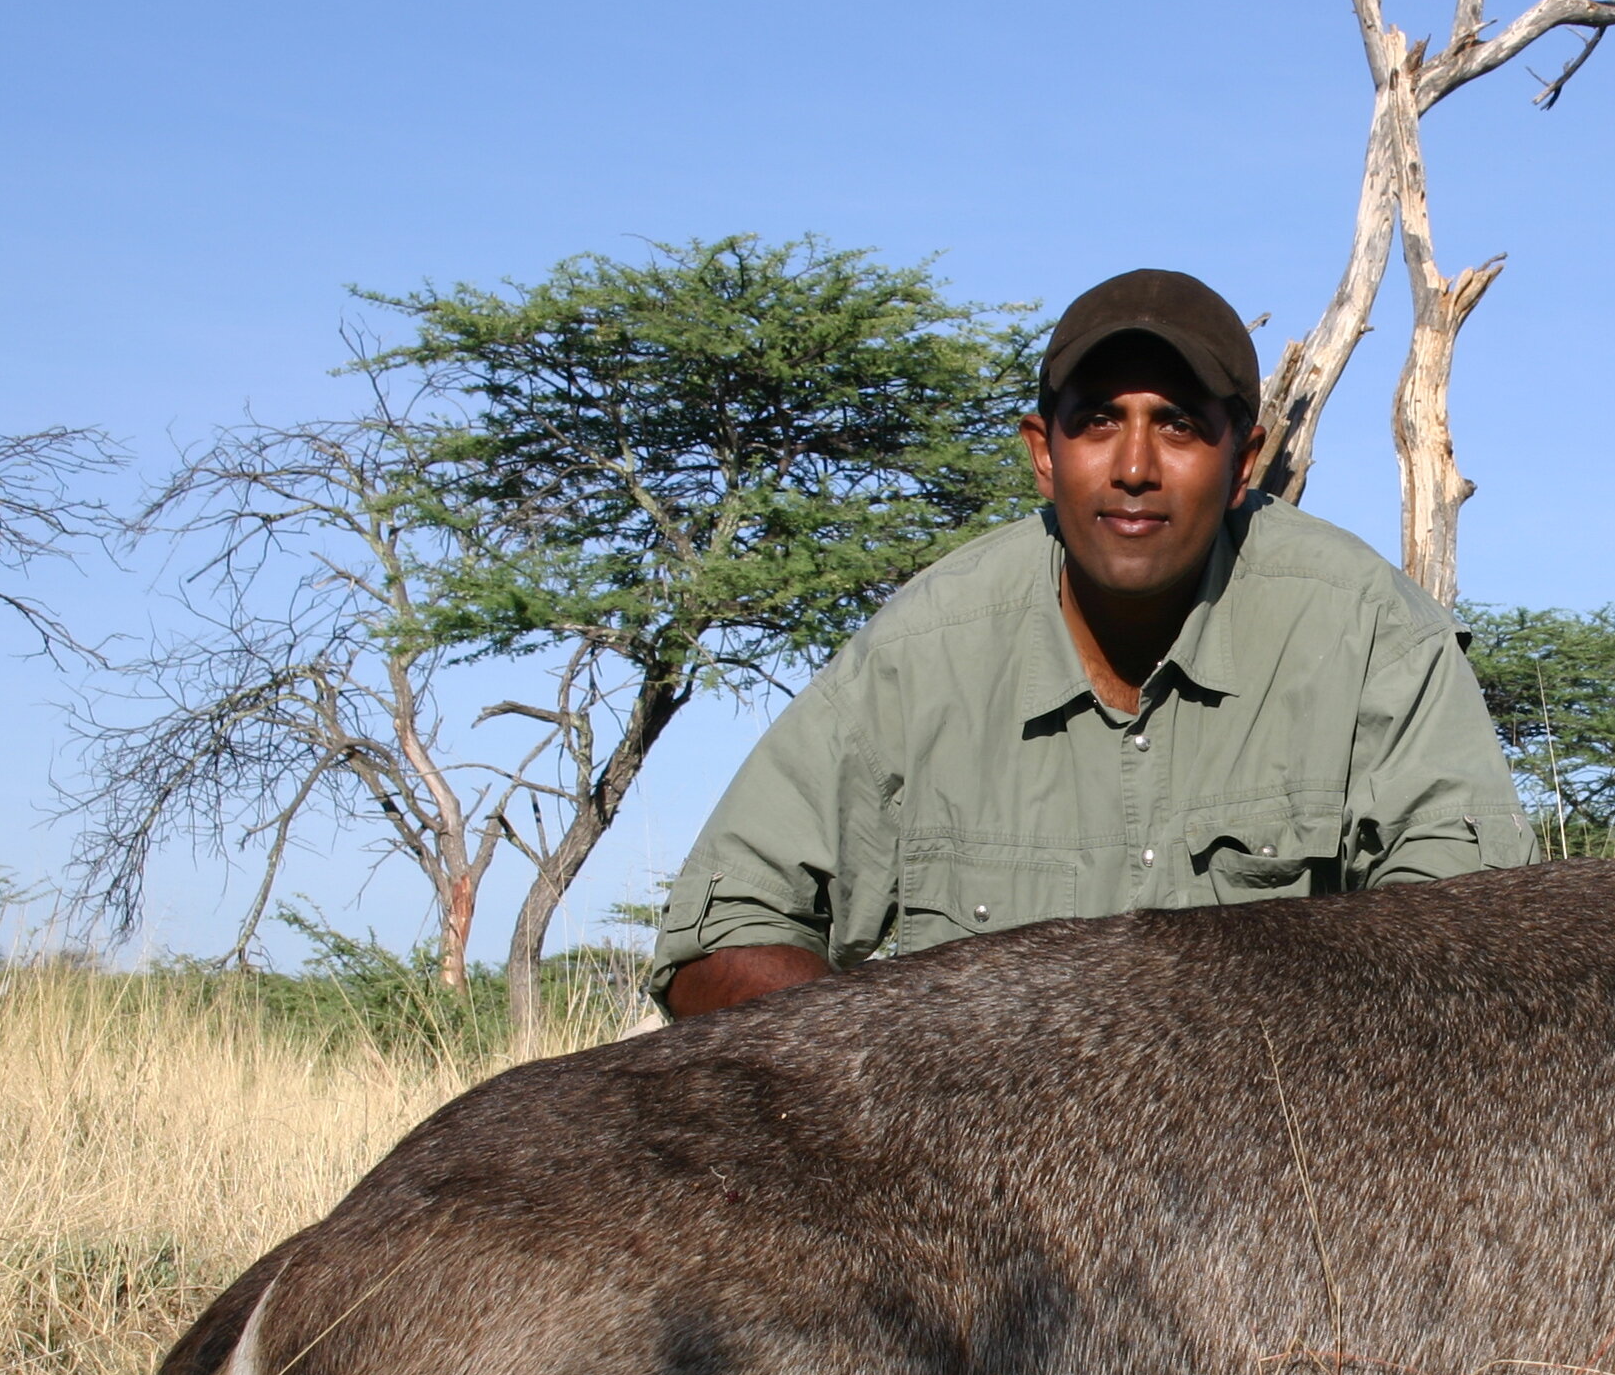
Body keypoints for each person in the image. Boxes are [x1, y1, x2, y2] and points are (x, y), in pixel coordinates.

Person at [651, 267, 1534, 1018]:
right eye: (1097, 422)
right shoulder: (921, 654)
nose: (1136, 466)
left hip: (1290, 1177)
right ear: (1043, 452)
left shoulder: (1376, 638)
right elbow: (715, 946)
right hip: (979, 1175)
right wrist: (901, 1079)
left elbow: (1484, 960)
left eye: (1180, 425)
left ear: (1245, 460)